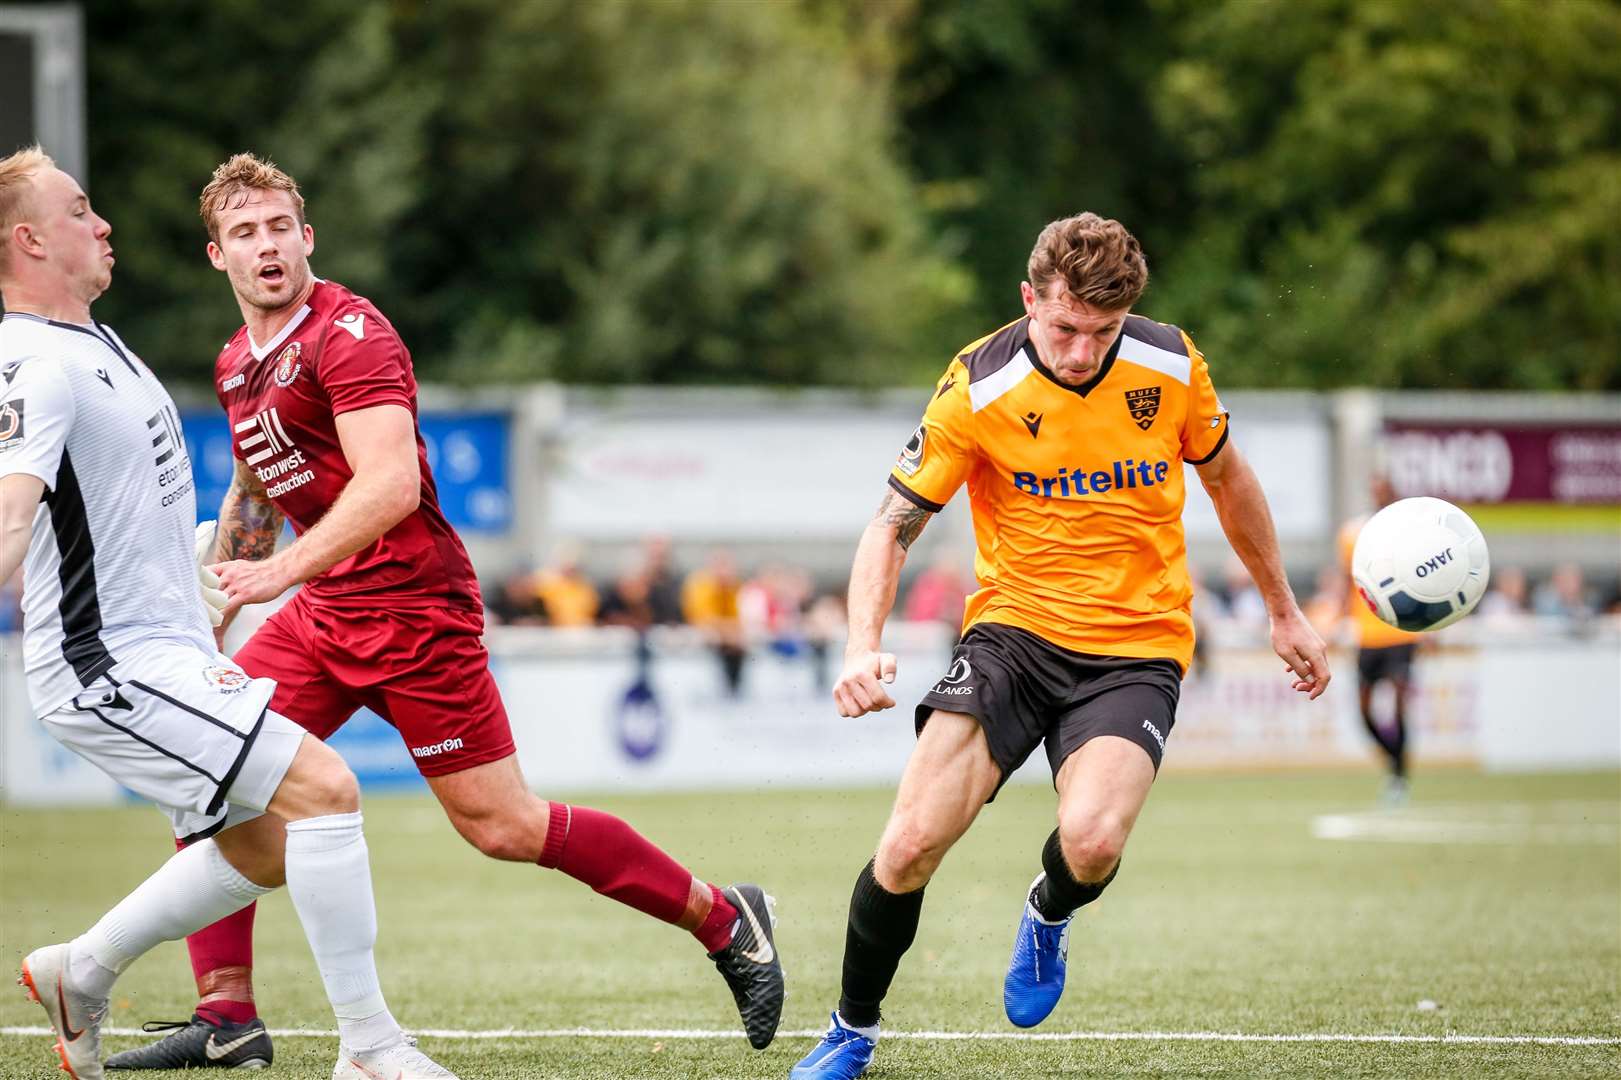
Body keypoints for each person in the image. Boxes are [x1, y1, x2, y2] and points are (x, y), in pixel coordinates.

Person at [104, 153, 783, 1071]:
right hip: (324, 613)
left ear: (306, 238)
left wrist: (281, 575)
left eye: (277, 229)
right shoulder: (237, 362)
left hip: (414, 610)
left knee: (501, 826)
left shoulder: (351, 335)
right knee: (207, 770)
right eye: (243, 234)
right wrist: (218, 601)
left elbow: (388, 486)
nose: (264, 247)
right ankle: (227, 1018)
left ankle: (721, 916)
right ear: (215, 255)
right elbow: (254, 495)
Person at [789, 213, 1330, 1079]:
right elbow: (891, 526)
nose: (1082, 353)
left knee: (1092, 844)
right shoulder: (976, 385)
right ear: (1027, 301)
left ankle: (1047, 914)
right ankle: (851, 1030)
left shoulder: (1170, 363)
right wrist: (861, 645)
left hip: (1136, 644)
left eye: (1102, 333)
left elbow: (1227, 478)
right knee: (907, 846)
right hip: (1013, 637)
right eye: (1064, 328)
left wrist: (1283, 610)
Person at [0, 147, 455, 1080]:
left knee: (265, 839)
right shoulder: (34, 366)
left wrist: (202, 576)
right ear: (30, 239)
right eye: (82, 210)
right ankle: (370, 1050)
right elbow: (10, 515)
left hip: (161, 649)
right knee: (326, 792)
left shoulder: (94, 343)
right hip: (108, 665)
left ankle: (80, 969)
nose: (104, 224)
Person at [1336, 477, 1420, 804]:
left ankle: (1400, 777)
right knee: (1364, 712)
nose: (1380, 495)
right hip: (1367, 637)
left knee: (1399, 706)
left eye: (1386, 490)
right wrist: (1343, 622)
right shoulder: (1352, 534)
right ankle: (1394, 763)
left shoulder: (1409, 534)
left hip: (1401, 632)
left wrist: (1428, 629)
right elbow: (1347, 581)